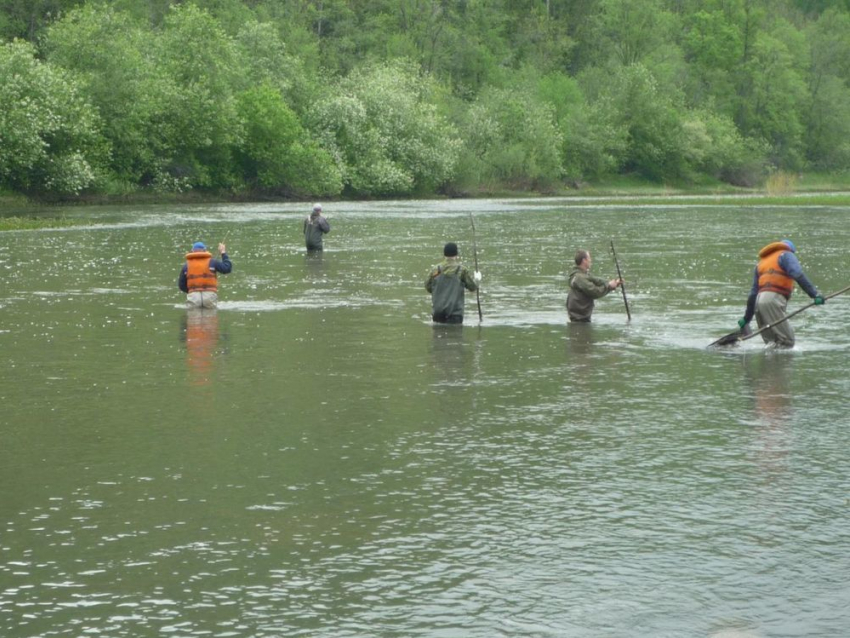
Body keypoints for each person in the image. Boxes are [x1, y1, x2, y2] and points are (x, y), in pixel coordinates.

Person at [737, 239, 824, 348]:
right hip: (772, 300)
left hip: (758, 303)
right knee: (787, 342)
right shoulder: (786, 255)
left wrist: (746, 319)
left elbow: (753, 294)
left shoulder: (761, 263)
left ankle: (769, 364)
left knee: (771, 343)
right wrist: (814, 294)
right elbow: (798, 274)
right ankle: (781, 363)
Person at [425, 242, 481, 324]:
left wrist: (438, 291)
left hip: (438, 313)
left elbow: (428, 286)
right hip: (455, 314)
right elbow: (472, 288)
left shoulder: (435, 269)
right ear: (456, 254)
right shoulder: (462, 270)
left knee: (437, 334)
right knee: (455, 335)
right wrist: (477, 279)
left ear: (444, 254)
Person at [566, 249, 622, 322]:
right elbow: (595, 292)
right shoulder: (580, 278)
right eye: (589, 258)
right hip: (580, 320)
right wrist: (609, 286)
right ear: (584, 260)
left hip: (580, 319)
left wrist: (613, 283)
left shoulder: (581, 275)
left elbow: (596, 281)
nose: (590, 260)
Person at [178, 241, 232, 309]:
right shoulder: (212, 262)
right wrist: (223, 252)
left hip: (194, 297)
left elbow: (181, 285)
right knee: (210, 317)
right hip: (209, 296)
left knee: (193, 317)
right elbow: (227, 268)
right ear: (205, 250)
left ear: (192, 251)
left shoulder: (186, 266)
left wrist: (192, 290)